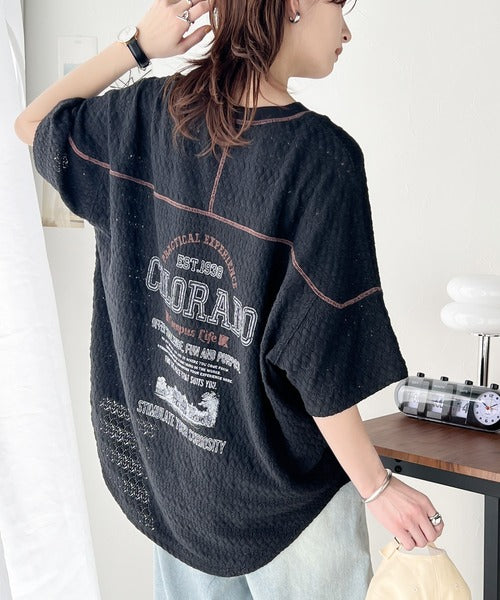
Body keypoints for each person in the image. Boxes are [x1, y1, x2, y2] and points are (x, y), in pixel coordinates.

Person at [15, 0, 445, 598]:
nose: (347, 30)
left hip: (181, 483)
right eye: (339, 5)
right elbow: (317, 361)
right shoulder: (321, 160)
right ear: (294, 5)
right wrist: (378, 487)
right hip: (291, 503)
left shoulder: (146, 116)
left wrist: (137, 47)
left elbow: (34, 124)